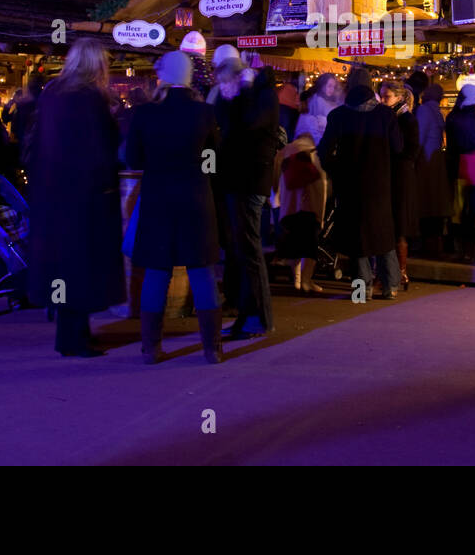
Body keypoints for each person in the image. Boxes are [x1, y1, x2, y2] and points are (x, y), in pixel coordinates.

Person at [27, 38, 125, 358]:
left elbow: (35, 141)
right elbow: (101, 147)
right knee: (83, 265)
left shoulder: (53, 93)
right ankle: (75, 338)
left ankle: (70, 332)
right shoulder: (90, 98)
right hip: (85, 196)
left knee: (63, 265)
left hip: (52, 194)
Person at [126, 51, 225, 363]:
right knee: (202, 271)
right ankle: (212, 349)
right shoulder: (205, 113)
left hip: (158, 200)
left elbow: (132, 160)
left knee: (156, 271)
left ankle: (150, 348)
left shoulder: (144, 114)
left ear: (164, 76)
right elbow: (214, 159)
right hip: (196, 199)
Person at [209, 45, 280, 339]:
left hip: (249, 181)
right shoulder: (242, 95)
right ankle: (249, 315)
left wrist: (241, 93)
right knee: (243, 249)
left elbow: (248, 124)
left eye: (222, 81)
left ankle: (259, 318)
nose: (220, 86)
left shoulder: (258, 93)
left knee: (249, 250)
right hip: (238, 180)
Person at [318, 68, 403, 299]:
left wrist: (337, 169)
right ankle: (390, 285)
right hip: (379, 184)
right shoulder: (386, 115)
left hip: (349, 185)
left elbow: (323, 151)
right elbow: (398, 149)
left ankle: (361, 289)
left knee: (357, 239)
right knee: (383, 234)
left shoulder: (338, 116)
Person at [379, 80, 419, 290]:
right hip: (393, 175)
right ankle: (395, 272)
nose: (383, 101)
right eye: (382, 96)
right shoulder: (392, 118)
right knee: (392, 225)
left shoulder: (406, 119)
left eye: (387, 97)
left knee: (398, 225)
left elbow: (411, 151)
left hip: (400, 177)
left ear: (399, 97)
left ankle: (400, 271)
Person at [278, 129, 327, 294]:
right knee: (310, 245)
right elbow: (322, 183)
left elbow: (275, 179)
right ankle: (307, 280)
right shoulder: (315, 153)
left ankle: (297, 280)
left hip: (289, 208)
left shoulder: (283, 153)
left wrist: (276, 202)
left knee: (294, 244)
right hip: (310, 207)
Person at [445, 84, 475, 261]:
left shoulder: (453, 117)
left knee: (463, 208)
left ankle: (464, 249)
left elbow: (451, 145)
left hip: (460, 163)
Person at [414, 83, 452, 256]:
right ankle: (435, 244)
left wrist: (414, 159)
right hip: (436, 162)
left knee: (425, 203)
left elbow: (419, 138)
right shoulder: (437, 112)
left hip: (426, 163)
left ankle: (425, 245)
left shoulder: (424, 111)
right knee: (435, 203)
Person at [295, 73, 341, 145]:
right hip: (312, 142)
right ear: (322, 85)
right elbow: (313, 125)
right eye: (329, 86)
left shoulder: (330, 101)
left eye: (333, 87)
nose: (332, 89)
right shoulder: (316, 100)